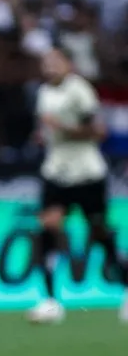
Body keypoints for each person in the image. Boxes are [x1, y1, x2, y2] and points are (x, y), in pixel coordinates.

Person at [27, 47, 128, 324]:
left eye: (55, 62)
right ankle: (50, 301)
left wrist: (61, 127)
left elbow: (98, 131)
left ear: (68, 64)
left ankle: (126, 291)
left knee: (99, 232)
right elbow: (47, 129)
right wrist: (44, 134)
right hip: (56, 170)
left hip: (86, 171)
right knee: (48, 228)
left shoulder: (79, 91)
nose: (49, 68)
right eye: (45, 63)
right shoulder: (44, 92)